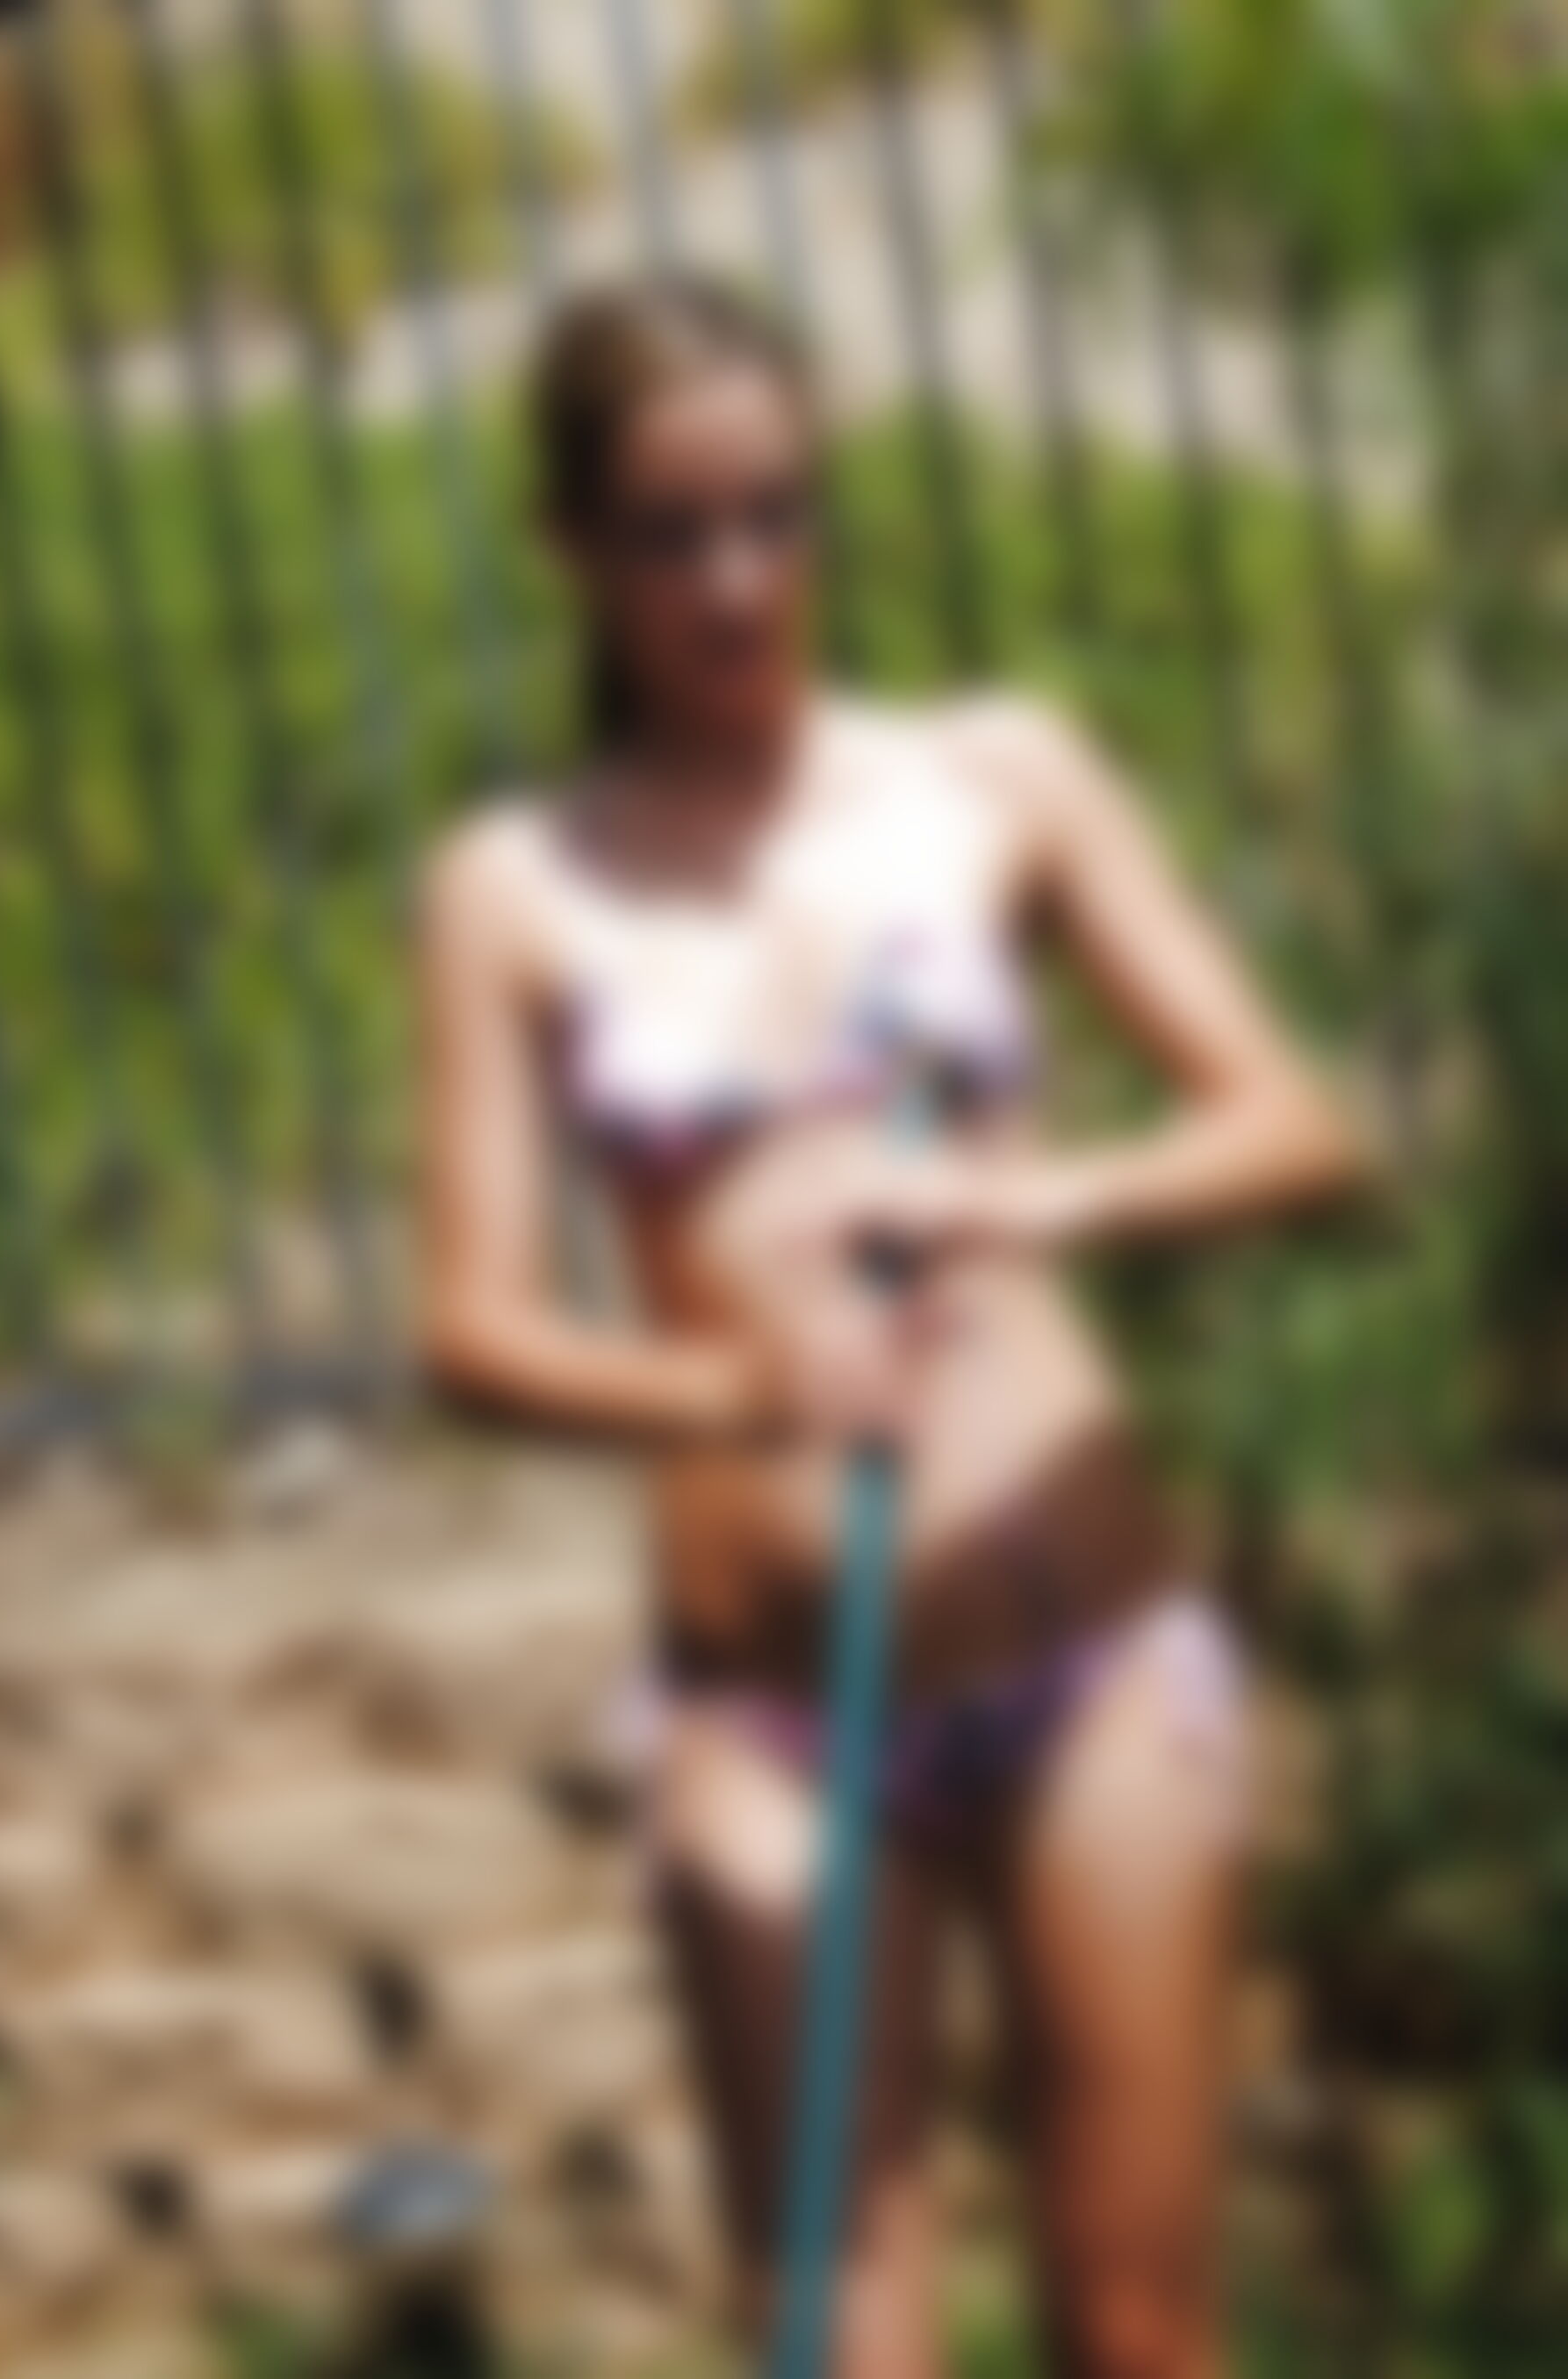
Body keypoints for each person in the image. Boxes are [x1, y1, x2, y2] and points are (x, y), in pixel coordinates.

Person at [417, 273, 1363, 2379]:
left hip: (1085, 1668)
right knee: (841, 2345)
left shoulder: (987, 774)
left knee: (1137, 2331)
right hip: (769, 1716)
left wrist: (1040, 1193)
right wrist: (734, 1379)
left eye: (774, 512)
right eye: (669, 532)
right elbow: (466, 1332)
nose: (735, 579)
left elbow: (1296, 1125)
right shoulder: (512, 884)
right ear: (570, 545)